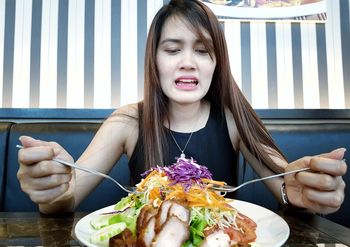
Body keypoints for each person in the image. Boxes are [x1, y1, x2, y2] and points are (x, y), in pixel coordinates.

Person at [17, 0, 346, 215]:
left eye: (203, 51)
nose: (188, 63)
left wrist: (305, 193)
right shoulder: (128, 121)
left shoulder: (232, 120)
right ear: (155, 61)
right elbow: (70, 194)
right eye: (173, 50)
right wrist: (54, 188)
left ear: (217, 63)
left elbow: (286, 184)